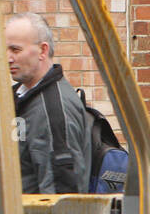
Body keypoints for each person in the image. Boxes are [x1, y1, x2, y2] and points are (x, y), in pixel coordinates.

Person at [7, 11, 91, 193]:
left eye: (16, 50)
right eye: (6, 50)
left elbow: (62, 198)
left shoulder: (55, 110)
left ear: (42, 51)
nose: (8, 58)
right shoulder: (19, 97)